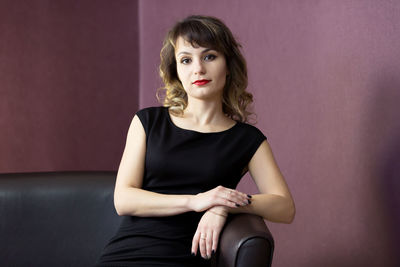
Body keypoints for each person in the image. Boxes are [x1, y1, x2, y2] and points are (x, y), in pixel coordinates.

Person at [96, 15, 295, 267]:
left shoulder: (246, 139)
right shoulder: (148, 121)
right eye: (186, 60)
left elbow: (284, 207)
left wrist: (223, 206)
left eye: (209, 56)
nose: (198, 69)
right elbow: (123, 200)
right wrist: (196, 200)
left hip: (186, 257)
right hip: (126, 254)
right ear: (176, 71)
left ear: (228, 65)